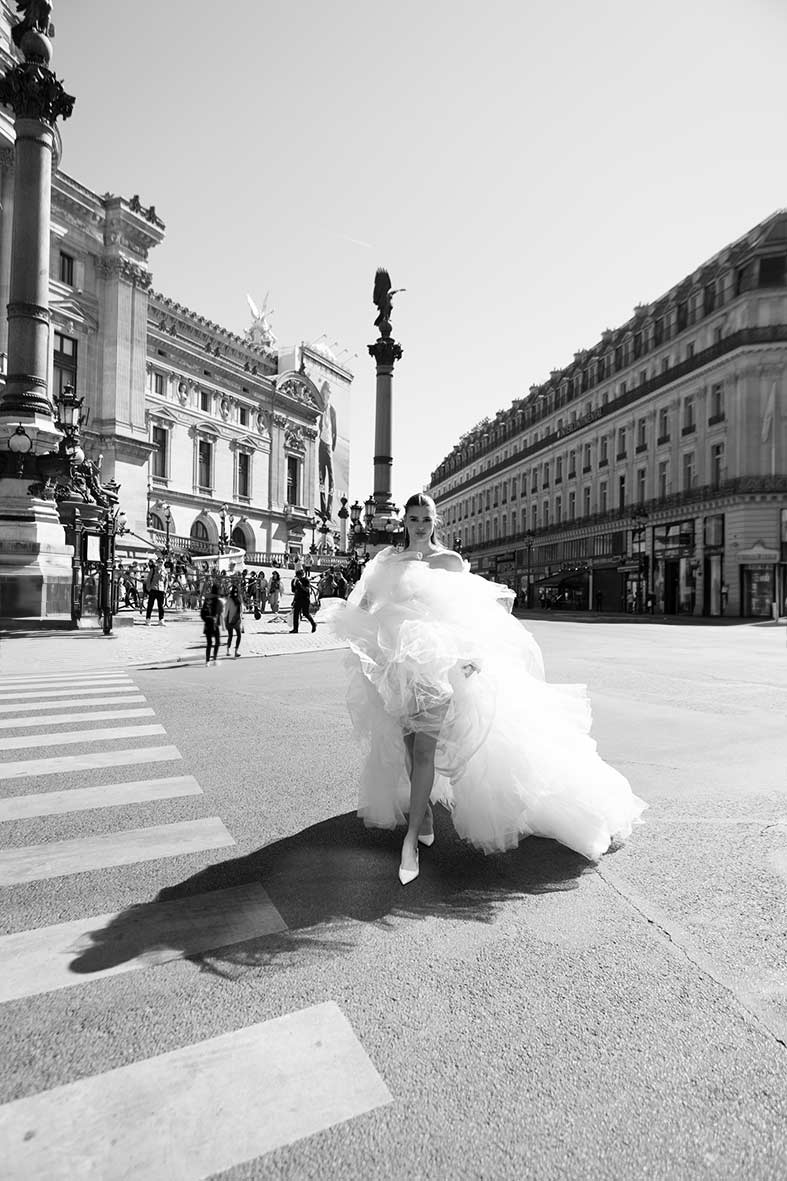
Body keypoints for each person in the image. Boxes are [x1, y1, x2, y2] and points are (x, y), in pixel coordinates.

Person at [332, 492, 647, 886]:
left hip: (443, 667)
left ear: (436, 521)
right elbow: (366, 608)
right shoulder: (390, 563)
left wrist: (472, 655)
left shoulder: (449, 562)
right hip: (400, 669)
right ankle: (424, 813)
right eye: (412, 518)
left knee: (425, 749)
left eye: (425, 518)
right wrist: (367, 634)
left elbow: (471, 616)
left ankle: (411, 839)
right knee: (410, 748)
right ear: (404, 522)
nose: (419, 525)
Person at [201, 582, 223, 664]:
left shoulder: (207, 600)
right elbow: (220, 612)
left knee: (209, 643)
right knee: (217, 642)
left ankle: (207, 661)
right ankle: (214, 659)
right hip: (215, 624)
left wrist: (206, 620)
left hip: (207, 623)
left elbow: (202, 613)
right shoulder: (218, 601)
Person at [290, 569, 317, 633]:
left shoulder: (306, 580)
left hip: (305, 599)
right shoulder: (295, 581)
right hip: (298, 599)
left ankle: (313, 624)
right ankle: (295, 629)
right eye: (297, 576)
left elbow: (307, 590)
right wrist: (293, 584)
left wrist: (300, 585)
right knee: (296, 614)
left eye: (299, 575)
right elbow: (294, 591)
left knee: (306, 613)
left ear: (302, 575)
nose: (298, 577)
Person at [144, 558, 169, 626]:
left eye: (161, 562)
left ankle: (161, 620)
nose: (160, 563)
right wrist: (148, 588)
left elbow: (166, 582)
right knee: (150, 605)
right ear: (157, 563)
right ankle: (148, 619)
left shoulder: (165, 571)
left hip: (161, 590)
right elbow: (149, 579)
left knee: (161, 606)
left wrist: (165, 590)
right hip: (153, 589)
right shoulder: (153, 570)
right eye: (159, 562)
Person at [224, 584, 244, 657]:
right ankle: (236, 651)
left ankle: (228, 650)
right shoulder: (239, 598)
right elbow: (242, 610)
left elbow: (226, 610)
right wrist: (241, 620)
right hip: (237, 620)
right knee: (238, 635)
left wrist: (224, 619)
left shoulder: (229, 599)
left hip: (230, 620)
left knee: (230, 635)